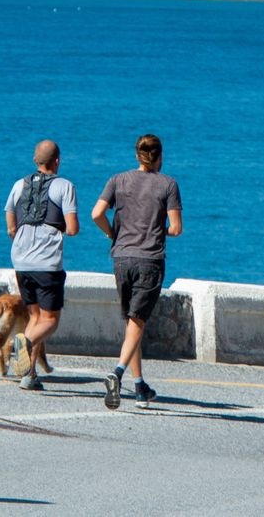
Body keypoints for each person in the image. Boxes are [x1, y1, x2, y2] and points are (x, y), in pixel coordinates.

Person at [91, 133, 182, 409]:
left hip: (121, 258)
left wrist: (112, 234)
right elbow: (176, 229)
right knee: (138, 321)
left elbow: (96, 214)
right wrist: (158, 230)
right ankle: (117, 374)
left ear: (137, 155)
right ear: (160, 156)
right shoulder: (168, 184)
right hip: (149, 260)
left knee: (132, 322)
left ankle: (140, 387)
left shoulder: (117, 180)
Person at [4, 139, 79, 391]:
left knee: (35, 316)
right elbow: (73, 228)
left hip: (20, 260)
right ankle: (23, 342)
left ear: (36, 160)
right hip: (46, 263)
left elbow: (9, 212)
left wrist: (13, 229)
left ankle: (30, 375)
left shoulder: (19, 184)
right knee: (50, 321)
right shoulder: (64, 186)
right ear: (57, 161)